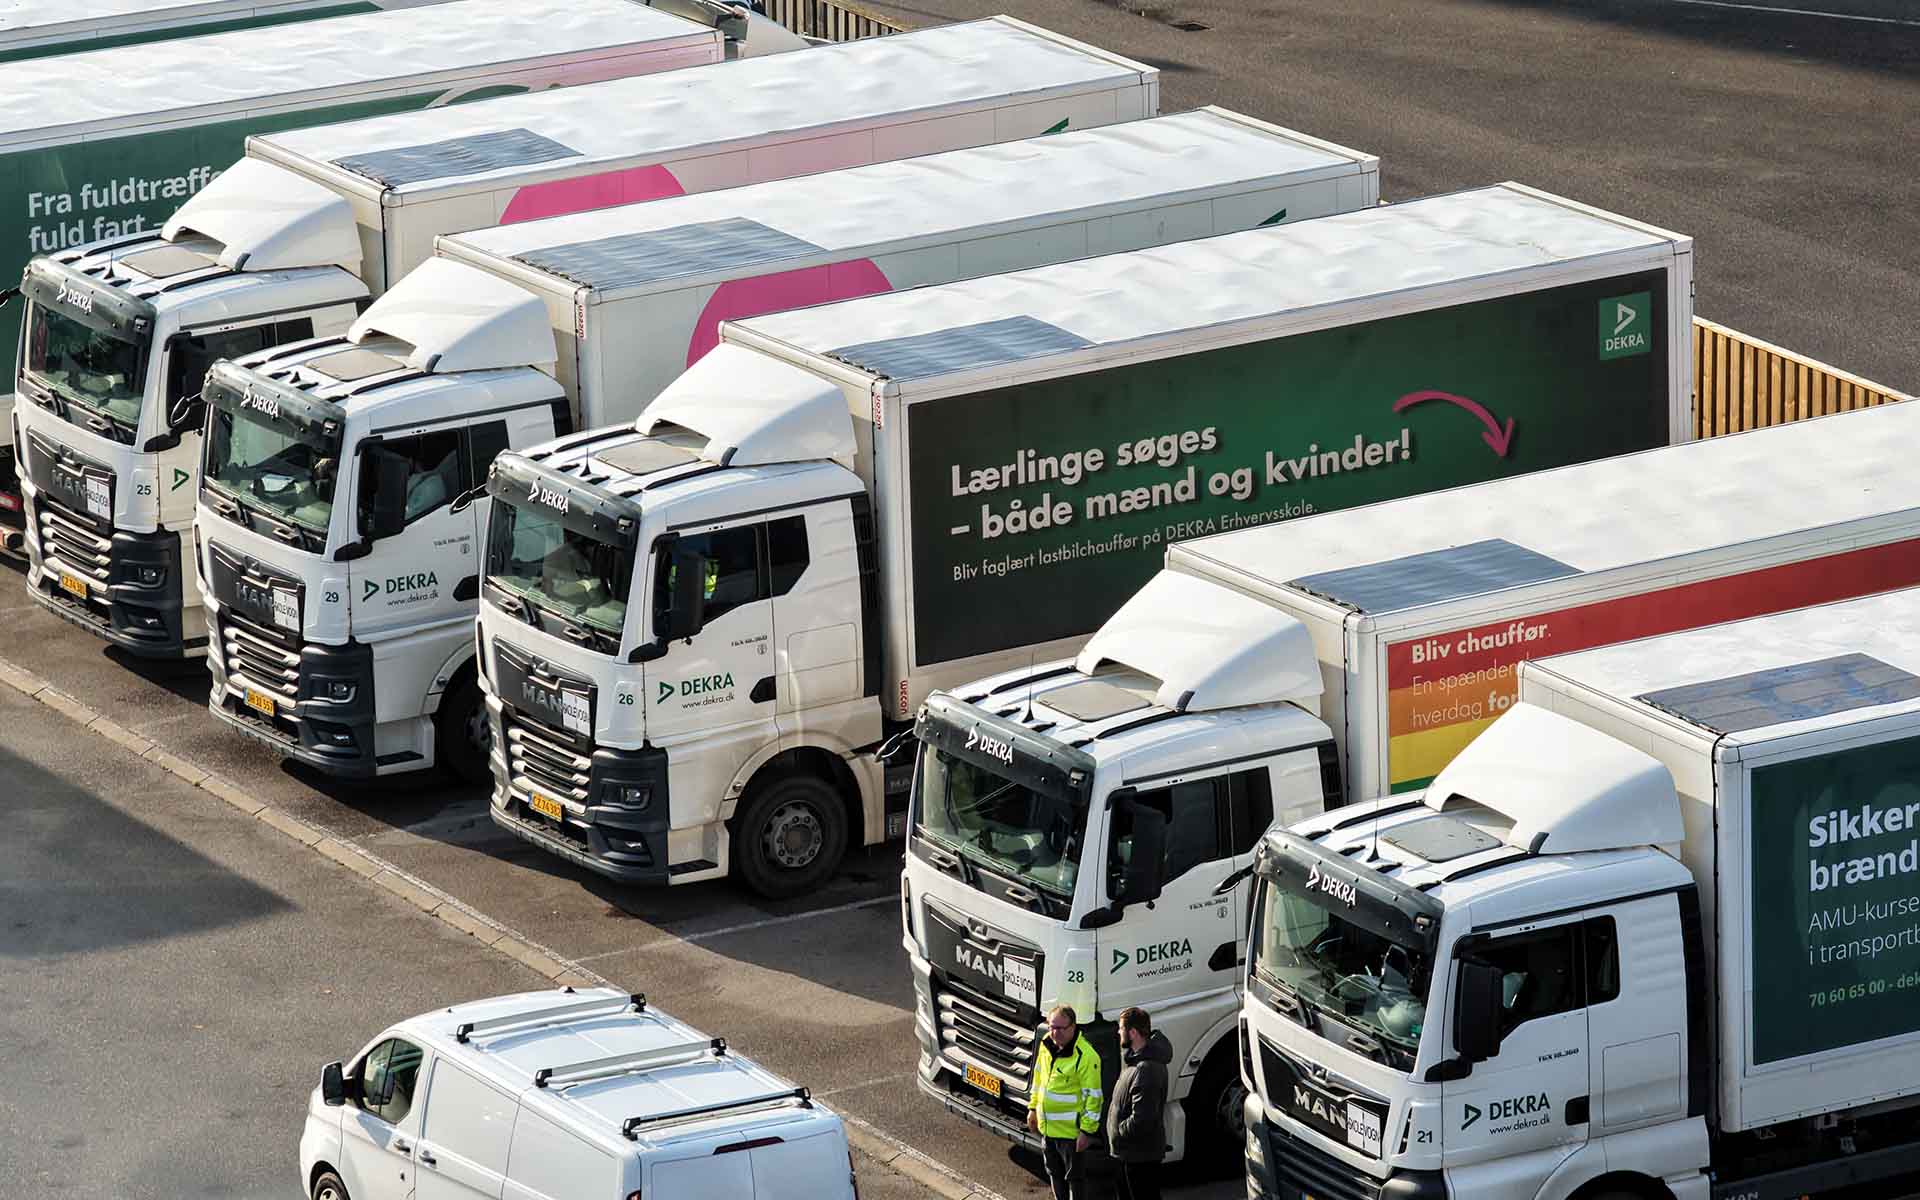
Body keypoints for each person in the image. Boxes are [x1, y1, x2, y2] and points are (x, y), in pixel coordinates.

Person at [1028, 1004, 1103, 1200]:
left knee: (1075, 1180)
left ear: (1073, 1026)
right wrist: (1033, 1108)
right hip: (1048, 1130)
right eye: (1051, 1026)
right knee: (1054, 1174)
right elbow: (1038, 1079)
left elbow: (1094, 1098)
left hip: (1071, 1135)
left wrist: (1087, 1131)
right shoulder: (1046, 1044)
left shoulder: (1087, 1057)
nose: (1055, 1032)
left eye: (1060, 1028)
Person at [1105, 1007, 1170, 1200]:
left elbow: (1143, 1118)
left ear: (1132, 1032)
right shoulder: (1136, 1062)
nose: (1118, 1033)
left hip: (1138, 1157)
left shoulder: (1146, 1069)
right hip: (1130, 1154)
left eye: (1121, 1028)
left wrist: (1119, 1131)